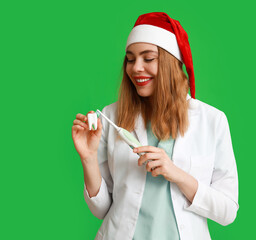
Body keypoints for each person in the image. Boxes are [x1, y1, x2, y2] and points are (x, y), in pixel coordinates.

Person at [71, 12, 239, 240]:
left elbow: (227, 211)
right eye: (130, 59)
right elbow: (100, 209)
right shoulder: (112, 116)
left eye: (148, 58)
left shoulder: (212, 120)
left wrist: (177, 174)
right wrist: (88, 158)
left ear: (171, 62)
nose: (136, 68)